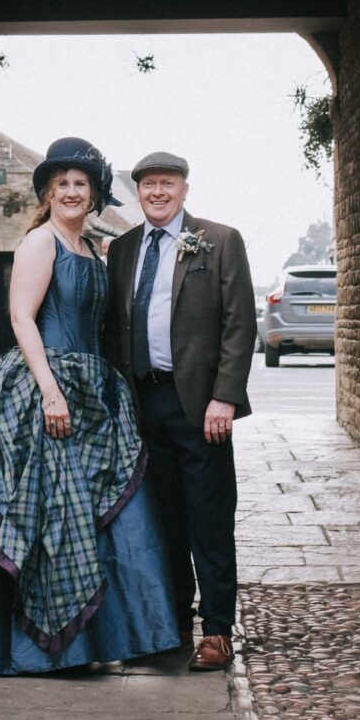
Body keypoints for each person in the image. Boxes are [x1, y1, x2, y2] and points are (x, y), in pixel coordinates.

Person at [0, 137, 181, 674]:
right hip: (46, 391)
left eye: (81, 185)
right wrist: (49, 391)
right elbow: (23, 319)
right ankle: (38, 648)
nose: (72, 193)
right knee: (48, 514)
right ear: (48, 193)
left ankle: (99, 641)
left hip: (93, 391)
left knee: (101, 512)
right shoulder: (39, 244)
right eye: (63, 185)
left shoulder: (91, 247)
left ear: (94, 194)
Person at [104, 151, 255, 671]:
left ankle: (217, 632)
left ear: (185, 189)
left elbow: (240, 324)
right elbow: (112, 328)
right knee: (161, 521)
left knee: (209, 520)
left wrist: (226, 396)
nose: (158, 193)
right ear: (138, 192)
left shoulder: (220, 240)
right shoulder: (122, 249)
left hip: (199, 404)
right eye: (148, 186)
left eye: (167, 184)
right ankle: (170, 626)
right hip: (143, 404)